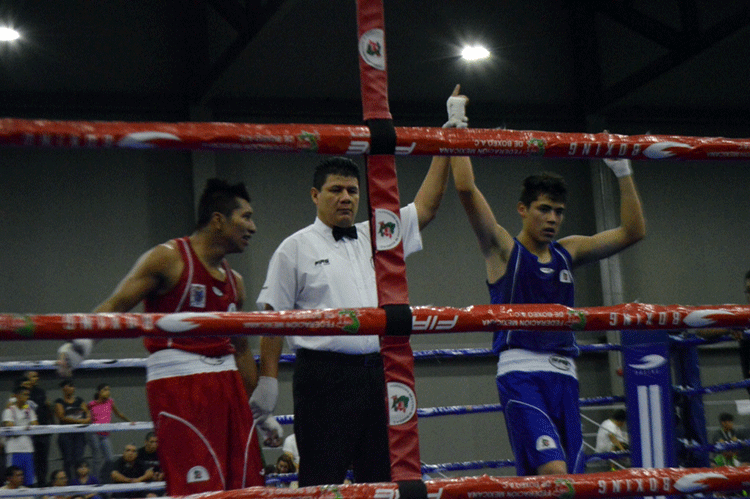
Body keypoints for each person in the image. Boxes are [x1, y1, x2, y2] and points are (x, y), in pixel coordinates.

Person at [448, 88, 646, 476]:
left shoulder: (567, 251)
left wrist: (622, 169)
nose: (552, 218)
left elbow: (632, 232)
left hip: (565, 377)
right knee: (553, 472)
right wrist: (457, 124)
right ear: (523, 209)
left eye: (558, 211)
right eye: (543, 209)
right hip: (521, 375)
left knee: (568, 482)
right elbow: (466, 190)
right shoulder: (503, 249)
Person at [256, 114, 451, 486]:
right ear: (315, 195)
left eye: (352, 190)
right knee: (320, 479)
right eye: (336, 190)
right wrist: (267, 384)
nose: (346, 197)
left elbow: (426, 207)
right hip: (322, 378)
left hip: (377, 372)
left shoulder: (378, 234)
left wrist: (445, 139)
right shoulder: (294, 248)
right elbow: (273, 318)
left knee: (380, 479)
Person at [56, 178, 279, 495]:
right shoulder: (169, 258)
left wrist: (258, 411)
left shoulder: (236, 282)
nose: (253, 227)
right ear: (218, 219)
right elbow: (117, 304)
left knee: (246, 488)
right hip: (179, 386)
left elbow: (241, 348)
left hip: (228, 388)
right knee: (198, 489)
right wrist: (80, 344)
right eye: (245, 217)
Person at [87, 384, 131, 482]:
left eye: (109, 390)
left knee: (110, 459)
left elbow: (118, 414)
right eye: (105, 390)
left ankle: (105, 478)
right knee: (97, 458)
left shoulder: (110, 402)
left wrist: (129, 421)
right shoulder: (91, 404)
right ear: (99, 392)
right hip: (94, 433)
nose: (108, 392)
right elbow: (86, 417)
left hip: (105, 435)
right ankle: (96, 481)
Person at [2, 383, 38, 486]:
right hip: (14, 450)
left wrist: (22, 426)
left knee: (29, 481)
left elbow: (35, 424)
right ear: (17, 396)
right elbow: (11, 428)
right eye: (24, 394)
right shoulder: (9, 410)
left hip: (28, 449)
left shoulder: (29, 410)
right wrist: (26, 426)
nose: (27, 397)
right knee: (13, 481)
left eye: (28, 395)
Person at [54, 380, 91, 482]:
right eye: (68, 386)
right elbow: (62, 416)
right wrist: (79, 421)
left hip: (79, 435)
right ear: (63, 388)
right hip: (66, 435)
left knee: (78, 460)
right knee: (68, 460)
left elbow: (87, 413)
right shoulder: (59, 402)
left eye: (72, 385)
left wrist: (87, 420)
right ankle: (68, 483)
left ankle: (78, 482)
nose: (71, 388)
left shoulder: (79, 400)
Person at [24, 371, 53, 486]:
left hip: (43, 430)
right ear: (27, 378)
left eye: (37, 376)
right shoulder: (22, 393)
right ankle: (30, 485)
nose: (36, 378)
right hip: (29, 432)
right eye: (33, 376)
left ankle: (42, 485)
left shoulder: (41, 392)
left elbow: (47, 408)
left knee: (43, 460)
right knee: (32, 460)